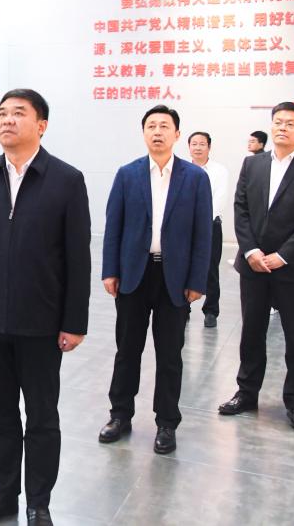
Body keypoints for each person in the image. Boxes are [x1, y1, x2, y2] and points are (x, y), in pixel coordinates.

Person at [0, 89, 90, 526]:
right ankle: (2, 495)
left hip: (41, 323)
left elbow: (78, 258)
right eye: (2, 113)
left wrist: (74, 321)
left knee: (42, 417)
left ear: (41, 125)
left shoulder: (66, 180)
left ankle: (38, 502)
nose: (7, 120)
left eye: (18, 113)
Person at [98, 105, 212, 455]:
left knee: (170, 354)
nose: (157, 131)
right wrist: (110, 270)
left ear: (177, 134)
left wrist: (198, 280)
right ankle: (120, 415)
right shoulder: (127, 174)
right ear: (144, 132)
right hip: (135, 273)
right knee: (127, 349)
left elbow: (203, 234)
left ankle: (166, 422)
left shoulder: (195, 178)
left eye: (164, 126)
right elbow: (113, 226)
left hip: (174, 278)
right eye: (151, 126)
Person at [218, 102, 294, 432]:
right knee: (251, 332)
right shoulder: (252, 164)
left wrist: (282, 256)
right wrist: (251, 250)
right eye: (278, 122)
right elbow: (241, 209)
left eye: (290, 123)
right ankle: (246, 393)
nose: (282, 127)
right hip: (254, 266)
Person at [187, 131, 228, 328]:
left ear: (209, 147)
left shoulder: (219, 171)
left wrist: (200, 221)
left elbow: (219, 199)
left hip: (210, 226)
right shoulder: (181, 168)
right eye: (194, 144)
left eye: (202, 144)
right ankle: (183, 307)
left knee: (210, 269)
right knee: (182, 266)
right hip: (184, 226)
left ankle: (211, 310)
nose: (197, 147)